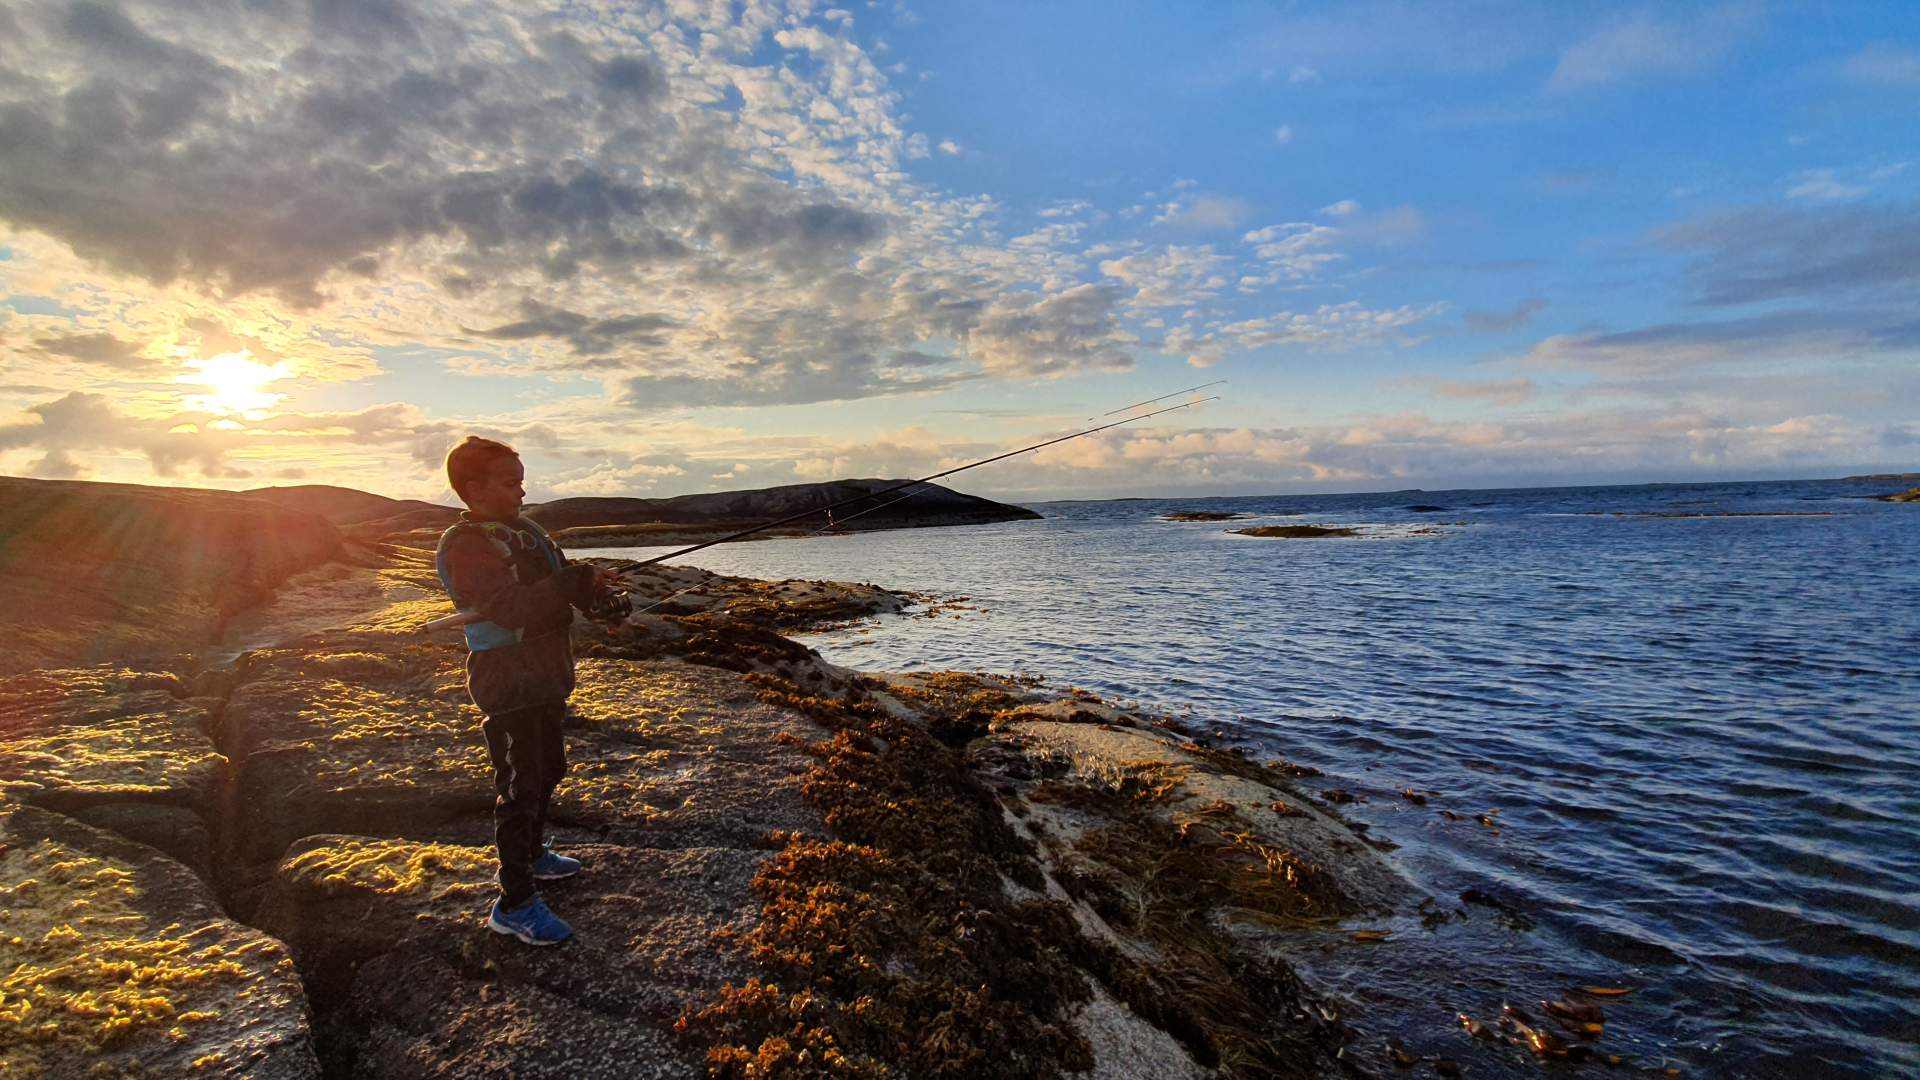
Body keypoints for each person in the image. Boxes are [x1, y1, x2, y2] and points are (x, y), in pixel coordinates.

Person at [434, 436, 627, 945]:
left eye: (521, 480)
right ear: (473, 488)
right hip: (508, 682)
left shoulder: (526, 531)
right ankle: (514, 901)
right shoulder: (468, 546)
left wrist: (599, 598)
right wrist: (571, 583)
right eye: (510, 482)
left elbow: (561, 586)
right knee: (519, 787)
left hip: (546, 675)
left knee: (549, 771)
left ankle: (535, 855)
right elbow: (512, 608)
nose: (522, 490)